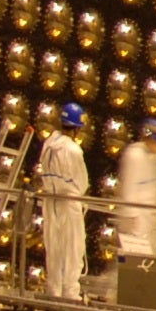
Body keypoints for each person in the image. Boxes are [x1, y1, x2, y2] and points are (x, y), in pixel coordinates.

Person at [36, 104, 91, 301]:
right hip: (69, 201)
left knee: (54, 247)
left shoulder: (49, 143)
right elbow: (81, 181)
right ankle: (69, 292)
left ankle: (54, 289)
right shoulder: (73, 150)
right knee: (72, 247)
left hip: (51, 200)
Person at [115, 118, 156, 262]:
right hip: (135, 219)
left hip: (150, 217)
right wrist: (130, 216)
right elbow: (129, 187)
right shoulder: (134, 155)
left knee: (152, 258)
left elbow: (155, 187)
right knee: (135, 259)